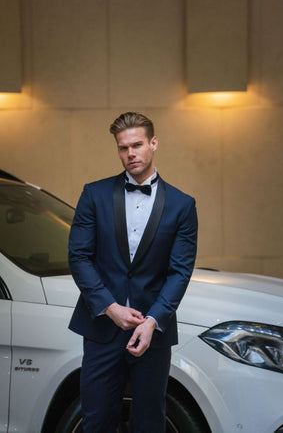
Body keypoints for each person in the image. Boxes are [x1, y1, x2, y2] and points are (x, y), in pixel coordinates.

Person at [68, 112, 198, 433]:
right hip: (101, 328)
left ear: (153, 143)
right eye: (123, 148)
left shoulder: (182, 205)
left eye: (137, 145)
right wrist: (111, 309)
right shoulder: (93, 195)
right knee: (96, 420)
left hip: (152, 333)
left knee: (150, 423)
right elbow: (79, 256)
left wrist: (153, 321)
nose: (131, 154)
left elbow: (180, 272)